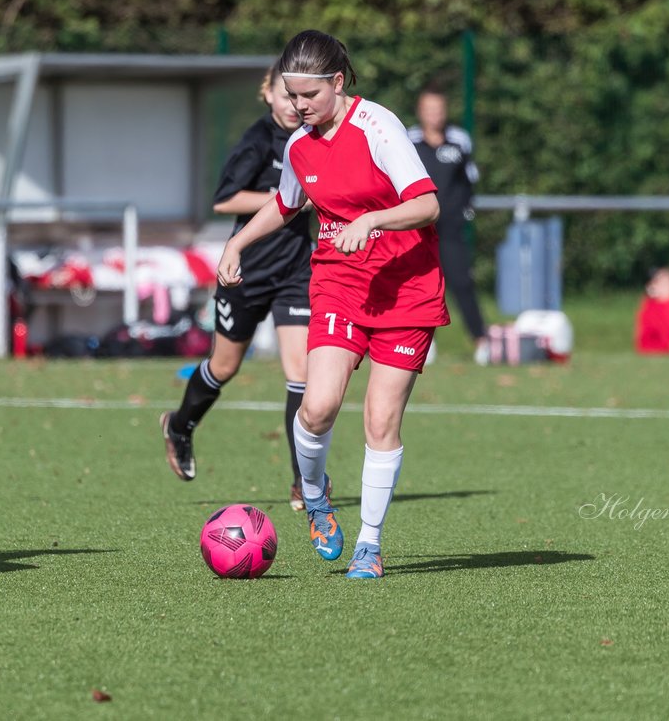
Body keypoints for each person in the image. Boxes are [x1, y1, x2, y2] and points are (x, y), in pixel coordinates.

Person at [215, 30, 449, 580]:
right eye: (291, 96)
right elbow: (286, 203)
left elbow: (428, 204)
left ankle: (369, 543)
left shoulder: (378, 127)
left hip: (406, 288)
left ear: (336, 83)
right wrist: (237, 242)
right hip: (340, 282)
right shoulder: (299, 144)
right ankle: (317, 497)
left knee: (379, 418)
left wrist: (371, 219)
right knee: (316, 406)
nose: (297, 107)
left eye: (308, 96)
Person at [160, 66, 316, 512]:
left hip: (296, 271)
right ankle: (179, 426)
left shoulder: (311, 138)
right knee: (224, 366)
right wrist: (287, 199)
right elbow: (225, 199)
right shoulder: (257, 141)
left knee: (301, 373)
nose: (293, 104)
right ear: (266, 94)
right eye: (284, 95)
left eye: (298, 95)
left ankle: (302, 481)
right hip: (245, 271)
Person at [407, 84, 488, 364]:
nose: (434, 115)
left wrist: (466, 209)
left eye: (438, 109)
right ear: (420, 111)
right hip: (417, 228)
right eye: (429, 109)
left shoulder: (459, 140)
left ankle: (481, 341)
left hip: (451, 227)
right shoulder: (408, 140)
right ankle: (423, 342)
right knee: (419, 284)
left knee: (461, 281)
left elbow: (469, 181)